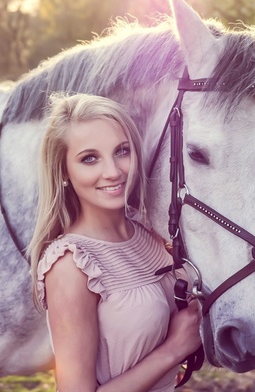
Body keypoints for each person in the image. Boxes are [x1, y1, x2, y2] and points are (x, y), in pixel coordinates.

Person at [27, 93, 202, 392]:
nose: (113, 171)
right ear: (64, 171)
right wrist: (174, 350)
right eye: (89, 158)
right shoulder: (71, 265)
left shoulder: (152, 235)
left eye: (122, 151)